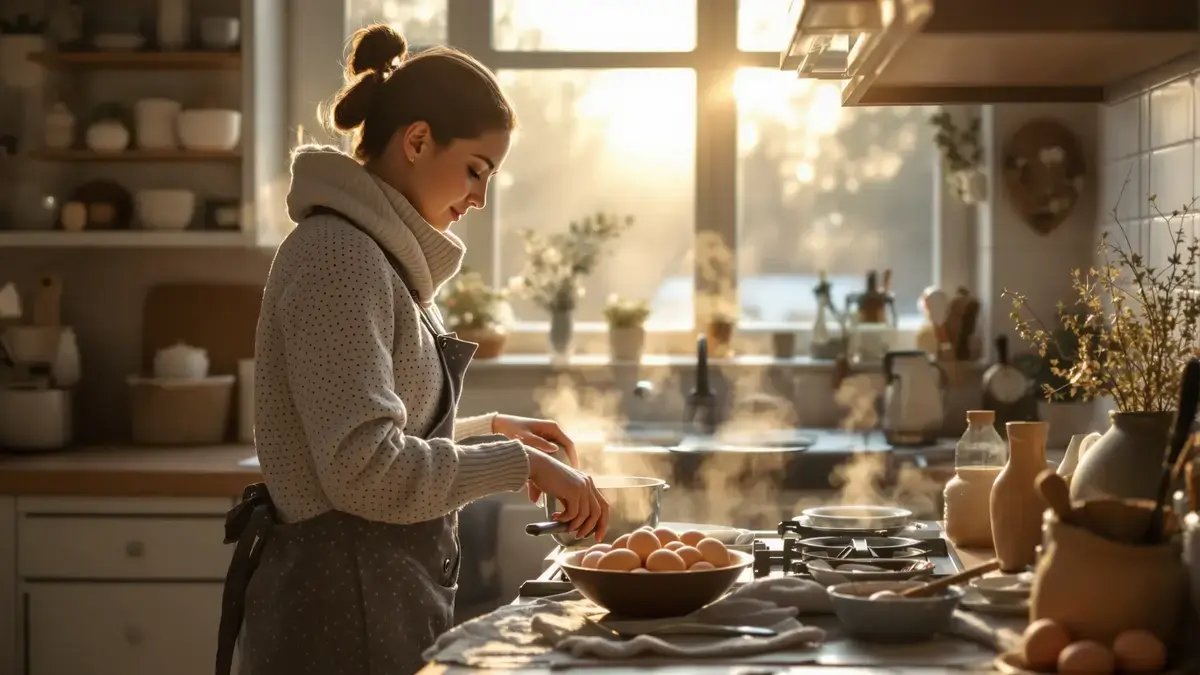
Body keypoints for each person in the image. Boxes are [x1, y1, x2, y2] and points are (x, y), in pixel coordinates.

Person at [215, 23, 610, 675]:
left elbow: (378, 436)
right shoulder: (339, 257)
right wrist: (520, 464)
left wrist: (491, 432)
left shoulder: (375, 255)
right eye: (476, 170)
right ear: (418, 140)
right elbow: (365, 471)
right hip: (340, 623)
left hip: (369, 606)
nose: (480, 198)